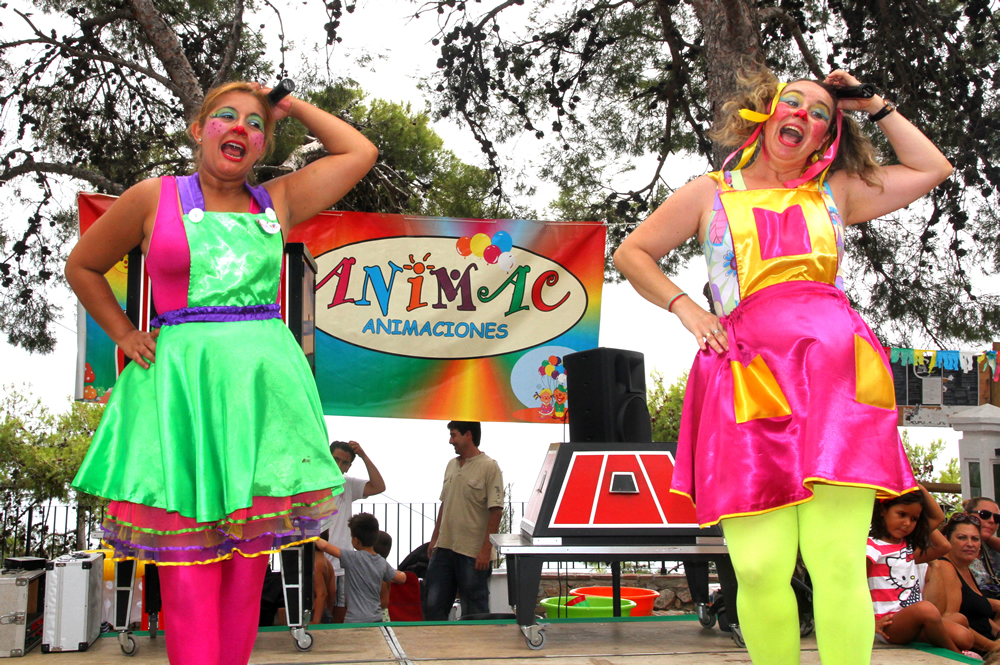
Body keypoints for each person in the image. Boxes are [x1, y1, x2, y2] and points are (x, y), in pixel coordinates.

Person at [613, 67, 951, 664]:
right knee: (761, 565)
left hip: (837, 381)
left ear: (825, 137)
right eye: (792, 103)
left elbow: (931, 168)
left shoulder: (837, 191)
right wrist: (685, 306)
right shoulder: (709, 191)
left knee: (836, 558)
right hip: (744, 375)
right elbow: (632, 251)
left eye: (820, 113)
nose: (803, 115)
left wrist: (875, 102)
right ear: (766, 112)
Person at [66, 81, 378, 665]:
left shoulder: (275, 201)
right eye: (226, 117)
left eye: (255, 125)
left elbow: (358, 153)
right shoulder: (151, 198)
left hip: (259, 399)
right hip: (182, 392)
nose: (240, 129)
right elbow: (82, 265)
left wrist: (289, 107)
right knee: (188, 575)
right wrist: (125, 333)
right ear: (197, 128)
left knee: (245, 571)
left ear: (262, 147)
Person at [867, 487, 971, 651]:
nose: (907, 523)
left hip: (913, 620)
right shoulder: (872, 548)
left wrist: (915, 485)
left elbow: (943, 541)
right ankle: (957, 654)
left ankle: (943, 643)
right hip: (887, 626)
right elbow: (850, 588)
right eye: (901, 514)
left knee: (965, 636)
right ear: (883, 510)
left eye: (914, 519)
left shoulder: (906, 548)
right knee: (926, 609)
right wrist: (868, 624)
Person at [424, 421, 504, 620]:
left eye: (454, 435)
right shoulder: (451, 465)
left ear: (468, 435)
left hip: (472, 553)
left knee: (474, 610)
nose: (451, 441)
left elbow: (496, 510)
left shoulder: (489, 466)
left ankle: (475, 651)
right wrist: (434, 539)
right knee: (432, 606)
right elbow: (445, 504)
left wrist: (486, 549)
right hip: (444, 548)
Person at [321, 440, 387, 622]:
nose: (339, 465)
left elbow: (379, 486)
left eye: (344, 463)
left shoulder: (347, 484)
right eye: (335, 459)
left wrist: (364, 456)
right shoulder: (313, 483)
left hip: (343, 563)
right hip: (318, 560)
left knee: (339, 615)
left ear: (349, 467)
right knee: (319, 609)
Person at [928, 513, 1000, 654]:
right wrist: (993, 647)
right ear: (947, 540)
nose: (970, 544)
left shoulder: (966, 569)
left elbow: (979, 617)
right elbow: (950, 620)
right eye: (962, 538)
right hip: (974, 651)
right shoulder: (946, 567)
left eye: (975, 539)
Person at [315, 514, 406, 623]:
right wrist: (400, 572)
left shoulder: (351, 557)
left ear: (355, 540)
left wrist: (309, 535)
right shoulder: (382, 562)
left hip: (354, 619)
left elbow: (324, 546)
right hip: (376, 619)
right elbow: (401, 579)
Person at [966, 498, 1000, 599]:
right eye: (985, 514)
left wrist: (987, 537)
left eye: (997, 518)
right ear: (967, 515)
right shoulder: (953, 547)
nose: (992, 521)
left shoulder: (992, 548)